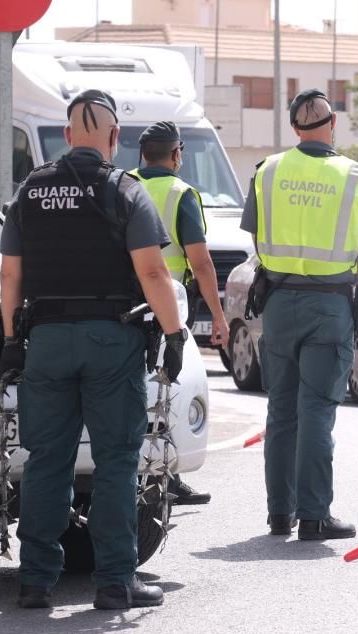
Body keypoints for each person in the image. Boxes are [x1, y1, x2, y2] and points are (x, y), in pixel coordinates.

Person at [0, 89, 187, 610]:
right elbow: (152, 272)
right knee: (115, 462)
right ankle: (115, 582)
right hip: (111, 340)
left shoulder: (31, 190)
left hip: (48, 341)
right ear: (113, 137)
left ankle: (35, 580)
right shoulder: (124, 189)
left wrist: (13, 341)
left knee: (46, 461)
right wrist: (174, 336)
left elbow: (10, 273)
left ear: (65, 135)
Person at [239, 89, 358, 540]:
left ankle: (279, 514)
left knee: (281, 411)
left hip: (280, 302)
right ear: (333, 122)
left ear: (294, 128)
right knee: (317, 410)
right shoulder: (355, 177)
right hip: (329, 305)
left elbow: (256, 238)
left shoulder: (268, 171)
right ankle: (314, 516)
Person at [129, 120, 229, 506]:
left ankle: (137, 471)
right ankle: (164, 476)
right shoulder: (181, 193)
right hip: (167, 309)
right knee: (168, 389)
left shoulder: (124, 183)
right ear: (176, 154)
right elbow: (201, 263)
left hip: (123, 306)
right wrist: (218, 317)